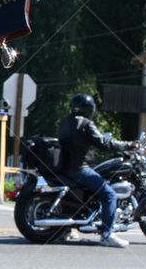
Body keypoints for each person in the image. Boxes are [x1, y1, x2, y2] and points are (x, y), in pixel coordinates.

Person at [58, 93, 137, 248]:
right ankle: (107, 235)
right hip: (80, 169)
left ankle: (66, 230)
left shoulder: (65, 123)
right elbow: (104, 143)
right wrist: (128, 145)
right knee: (109, 194)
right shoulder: (85, 124)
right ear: (88, 109)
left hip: (65, 168)